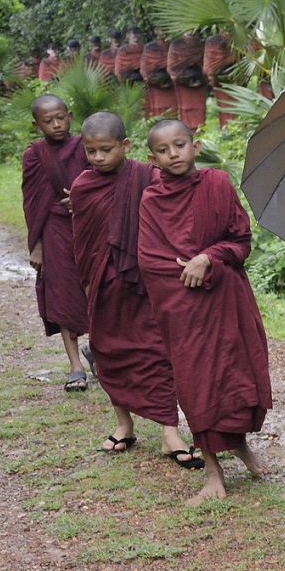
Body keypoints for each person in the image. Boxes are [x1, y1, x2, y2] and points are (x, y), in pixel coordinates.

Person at [137, 119, 272, 501]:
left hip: (227, 301)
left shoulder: (217, 184)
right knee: (198, 384)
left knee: (235, 376)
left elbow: (241, 241)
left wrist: (209, 258)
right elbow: (150, 262)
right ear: (153, 158)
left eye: (180, 144)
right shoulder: (152, 201)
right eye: (163, 150)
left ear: (194, 146)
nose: (173, 153)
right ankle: (212, 472)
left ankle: (240, 445)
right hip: (184, 309)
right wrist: (191, 272)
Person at [69, 112, 202, 468]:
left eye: (106, 150)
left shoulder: (147, 177)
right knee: (108, 351)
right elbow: (83, 242)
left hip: (145, 282)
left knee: (156, 351)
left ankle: (169, 431)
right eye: (91, 151)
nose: (98, 158)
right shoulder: (83, 186)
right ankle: (123, 424)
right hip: (101, 282)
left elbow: (174, 209)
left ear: (126, 146)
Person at [21, 95, 90, 391]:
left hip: (88, 228)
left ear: (70, 115)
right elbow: (32, 201)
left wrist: (83, 200)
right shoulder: (35, 154)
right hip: (53, 231)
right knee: (62, 295)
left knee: (97, 291)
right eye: (48, 121)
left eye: (61, 117)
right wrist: (36, 245)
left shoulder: (87, 145)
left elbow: (103, 181)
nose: (56, 124)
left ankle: (98, 349)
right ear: (37, 125)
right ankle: (75, 366)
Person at [168, 30, 209, 130]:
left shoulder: (201, 44)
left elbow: (207, 63)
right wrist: (180, 76)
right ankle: (186, 130)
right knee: (185, 107)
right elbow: (172, 65)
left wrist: (203, 75)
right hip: (182, 82)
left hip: (199, 81)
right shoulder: (176, 44)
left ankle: (200, 130)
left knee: (199, 108)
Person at [141, 32, 174, 117]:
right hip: (155, 83)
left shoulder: (174, 45)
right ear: (155, 31)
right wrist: (148, 78)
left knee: (173, 111)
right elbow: (144, 67)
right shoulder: (149, 47)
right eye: (160, 29)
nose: (162, 32)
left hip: (171, 84)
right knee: (158, 111)